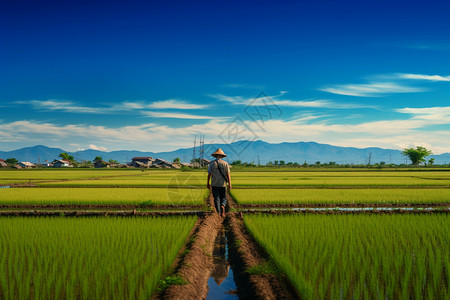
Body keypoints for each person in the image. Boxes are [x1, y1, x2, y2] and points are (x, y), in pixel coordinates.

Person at [207, 148, 231, 217]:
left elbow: (209, 174)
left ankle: (218, 212)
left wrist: (208, 184)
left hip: (214, 184)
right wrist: (230, 184)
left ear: (215, 156)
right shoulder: (225, 164)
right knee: (223, 197)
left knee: (216, 198)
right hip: (223, 184)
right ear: (222, 156)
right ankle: (223, 205)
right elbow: (228, 175)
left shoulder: (211, 164)